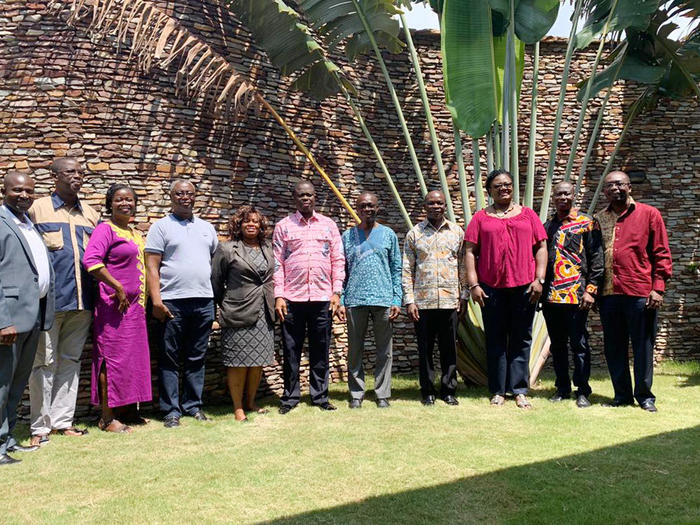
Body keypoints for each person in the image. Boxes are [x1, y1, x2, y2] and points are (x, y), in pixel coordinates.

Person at [27, 158, 99, 446]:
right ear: (54, 176)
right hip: (50, 303)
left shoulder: (91, 214)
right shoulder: (37, 210)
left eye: (80, 172)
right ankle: (39, 427)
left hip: (82, 303)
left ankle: (62, 422)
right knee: (44, 362)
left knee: (69, 361)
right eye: (70, 172)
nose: (77, 176)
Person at [464, 169, 547, 409]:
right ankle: (498, 390)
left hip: (524, 287)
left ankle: (519, 390)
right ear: (489, 190)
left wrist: (539, 279)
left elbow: (541, 247)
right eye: (498, 185)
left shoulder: (528, 215)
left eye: (508, 185)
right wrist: (474, 284)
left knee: (521, 338)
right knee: (496, 339)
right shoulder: (481, 218)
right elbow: (470, 252)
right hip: (491, 289)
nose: (504, 189)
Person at [595, 170, 672, 412]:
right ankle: (622, 395)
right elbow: (595, 258)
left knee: (642, 346)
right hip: (608, 294)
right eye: (609, 186)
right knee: (614, 346)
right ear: (604, 191)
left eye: (619, 184)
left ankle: (645, 396)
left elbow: (661, 254)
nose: (614, 189)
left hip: (640, 292)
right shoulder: (599, 219)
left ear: (629, 187)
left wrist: (658, 288)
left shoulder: (649, 214)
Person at [145, 180, 218, 428]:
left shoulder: (207, 228)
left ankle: (193, 406)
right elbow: (152, 266)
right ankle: (170, 410)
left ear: (195, 197)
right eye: (179, 193)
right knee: (169, 358)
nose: (184, 197)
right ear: (171, 197)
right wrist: (156, 300)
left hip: (203, 301)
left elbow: (211, 265)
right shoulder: (161, 227)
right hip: (172, 303)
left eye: (189, 193)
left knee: (196, 357)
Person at [83, 184, 152, 433]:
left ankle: (127, 411)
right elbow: (91, 261)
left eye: (130, 199)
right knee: (110, 359)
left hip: (135, 310)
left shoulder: (134, 233)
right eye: (120, 199)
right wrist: (118, 287)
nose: (126, 203)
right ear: (110, 203)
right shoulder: (105, 230)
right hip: (114, 307)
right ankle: (106, 417)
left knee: (131, 360)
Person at [273, 181, 345, 414]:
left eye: (310, 195)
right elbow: (277, 263)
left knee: (320, 349)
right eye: (301, 195)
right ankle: (290, 397)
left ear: (316, 198)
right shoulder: (284, 226)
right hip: (292, 299)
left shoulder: (328, 225)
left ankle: (320, 396)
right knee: (291, 350)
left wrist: (336, 292)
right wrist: (279, 296)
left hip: (322, 298)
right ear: (294, 198)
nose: (306, 199)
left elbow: (338, 260)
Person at [0, 172, 54, 465]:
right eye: (17, 190)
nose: (23, 195)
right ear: (4, 191)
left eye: (29, 191)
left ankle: (8, 439)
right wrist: (2, 320)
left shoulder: (28, 224)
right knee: (1, 384)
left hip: (33, 315)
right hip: (9, 320)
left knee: (17, 383)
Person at [542, 181, 604, 408]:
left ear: (574, 195)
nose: (563, 198)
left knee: (579, 345)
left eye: (567, 194)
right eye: (559, 194)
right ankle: (562, 388)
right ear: (553, 197)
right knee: (557, 346)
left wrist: (591, 290)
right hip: (551, 297)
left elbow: (597, 258)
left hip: (577, 296)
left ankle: (583, 390)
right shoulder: (548, 225)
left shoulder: (587, 223)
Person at [337, 192, 402, 409]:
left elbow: (396, 268)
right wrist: (342, 298)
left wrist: (396, 299)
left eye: (371, 206)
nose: (367, 209)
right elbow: (341, 270)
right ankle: (356, 393)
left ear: (377, 208)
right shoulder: (347, 236)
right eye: (363, 206)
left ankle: (382, 393)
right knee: (355, 349)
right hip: (355, 300)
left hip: (383, 300)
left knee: (385, 350)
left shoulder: (388, 235)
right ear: (357, 208)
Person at [211, 206, 275, 422]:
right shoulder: (227, 249)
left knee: (257, 361)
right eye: (246, 221)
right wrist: (225, 305)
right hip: (238, 311)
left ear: (261, 226)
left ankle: (251, 402)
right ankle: (238, 407)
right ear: (238, 225)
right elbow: (216, 282)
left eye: (256, 222)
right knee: (237, 361)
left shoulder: (268, 248)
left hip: (263, 313)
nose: (251, 225)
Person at [402, 190, 464, 407]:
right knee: (425, 349)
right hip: (423, 303)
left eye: (439, 203)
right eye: (431, 203)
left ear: (445, 206)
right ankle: (427, 391)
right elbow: (407, 269)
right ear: (424, 206)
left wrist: (462, 296)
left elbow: (463, 266)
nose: (435, 206)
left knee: (449, 349)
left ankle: (448, 391)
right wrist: (410, 300)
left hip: (449, 302)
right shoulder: (414, 234)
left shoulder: (456, 232)